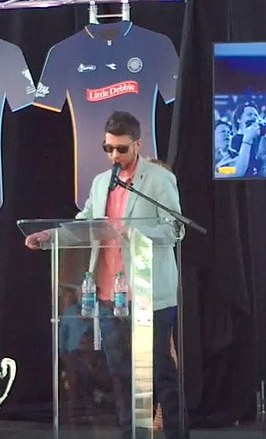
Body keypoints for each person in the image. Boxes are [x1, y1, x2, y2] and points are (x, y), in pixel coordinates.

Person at [24, 111, 187, 439]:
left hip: (150, 292)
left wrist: (135, 232)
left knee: (159, 371)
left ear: (138, 145)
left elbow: (175, 228)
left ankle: (175, 433)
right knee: (120, 371)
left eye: (121, 149)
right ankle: (130, 431)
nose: (114, 156)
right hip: (110, 294)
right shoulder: (101, 183)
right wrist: (50, 236)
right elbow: (85, 223)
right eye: (108, 148)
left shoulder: (157, 180)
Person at [229, 100, 264, 177]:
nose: (254, 118)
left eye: (256, 115)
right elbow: (230, 170)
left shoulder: (259, 139)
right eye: (249, 114)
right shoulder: (230, 142)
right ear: (239, 119)